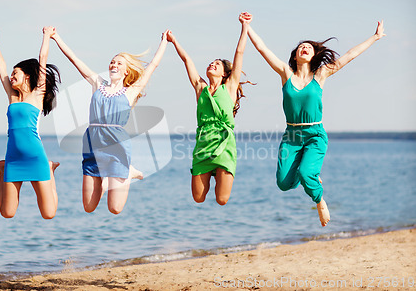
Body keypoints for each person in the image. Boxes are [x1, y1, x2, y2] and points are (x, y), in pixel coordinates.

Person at [247, 18, 385, 226]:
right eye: (301, 47)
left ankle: (319, 199)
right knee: (283, 183)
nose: (304, 48)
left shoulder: (320, 75)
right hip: (291, 137)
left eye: (308, 47)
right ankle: (308, 175)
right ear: (295, 55)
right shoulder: (285, 74)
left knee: (305, 172)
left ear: (314, 55)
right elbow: (262, 48)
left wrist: (375, 37)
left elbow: (349, 56)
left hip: (315, 135)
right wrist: (247, 27)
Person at [50, 28, 169, 214]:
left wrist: (164, 41)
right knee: (88, 207)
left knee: (115, 208)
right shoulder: (98, 83)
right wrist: (56, 37)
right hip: (92, 144)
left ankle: (128, 173)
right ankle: (108, 181)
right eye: (112, 62)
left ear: (126, 71)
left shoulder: (130, 92)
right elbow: (74, 59)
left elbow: (152, 66)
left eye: (119, 63)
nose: (114, 64)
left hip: (116, 147)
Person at [166, 12, 253, 205]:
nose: (212, 64)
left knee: (222, 199)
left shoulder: (229, 87)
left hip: (224, 145)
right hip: (203, 144)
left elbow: (239, 53)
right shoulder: (200, 88)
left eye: (217, 64)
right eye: (211, 63)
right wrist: (174, 41)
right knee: (198, 198)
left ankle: (220, 173)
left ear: (224, 73)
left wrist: (244, 27)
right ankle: (211, 172)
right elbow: (187, 60)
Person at [0, 27, 61, 219]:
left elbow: (42, 58)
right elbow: (0, 69)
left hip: (35, 156)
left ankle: (50, 169)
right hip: (12, 157)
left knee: (49, 213)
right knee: (7, 212)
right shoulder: (13, 97)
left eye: (15, 73)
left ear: (27, 75)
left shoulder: (37, 94)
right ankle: (2, 169)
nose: (11, 77)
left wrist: (46, 36)